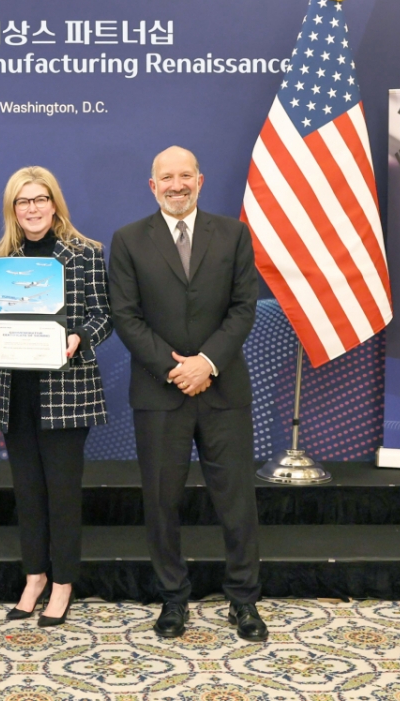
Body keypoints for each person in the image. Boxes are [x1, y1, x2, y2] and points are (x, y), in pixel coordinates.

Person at [108, 146, 267, 642]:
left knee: (237, 501)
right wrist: (175, 369)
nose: (176, 185)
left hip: (224, 389)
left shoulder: (234, 234)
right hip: (160, 392)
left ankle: (244, 600)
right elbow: (125, 315)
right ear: (152, 186)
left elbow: (243, 307)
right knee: (161, 502)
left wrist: (208, 363)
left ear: (200, 180)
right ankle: (173, 599)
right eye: (166, 178)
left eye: (184, 176)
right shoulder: (128, 240)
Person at [0, 166, 111, 627]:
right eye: (23, 201)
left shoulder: (86, 253)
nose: (32, 209)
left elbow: (104, 316)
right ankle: (34, 577)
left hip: (67, 390)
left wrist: (78, 338)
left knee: (63, 494)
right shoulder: (1, 260)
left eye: (39, 199)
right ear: (12, 209)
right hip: (16, 392)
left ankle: (63, 583)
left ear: (54, 204)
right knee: (28, 493)